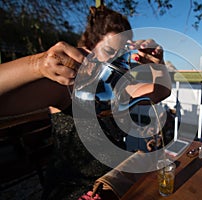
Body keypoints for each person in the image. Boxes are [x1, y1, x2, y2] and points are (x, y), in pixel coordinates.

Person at [0, 5, 171, 200]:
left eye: (122, 50)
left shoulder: (118, 87)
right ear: (89, 48)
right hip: (74, 190)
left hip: (112, 182)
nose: (116, 58)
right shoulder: (67, 85)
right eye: (109, 50)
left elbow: (160, 92)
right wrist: (36, 64)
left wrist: (158, 64)